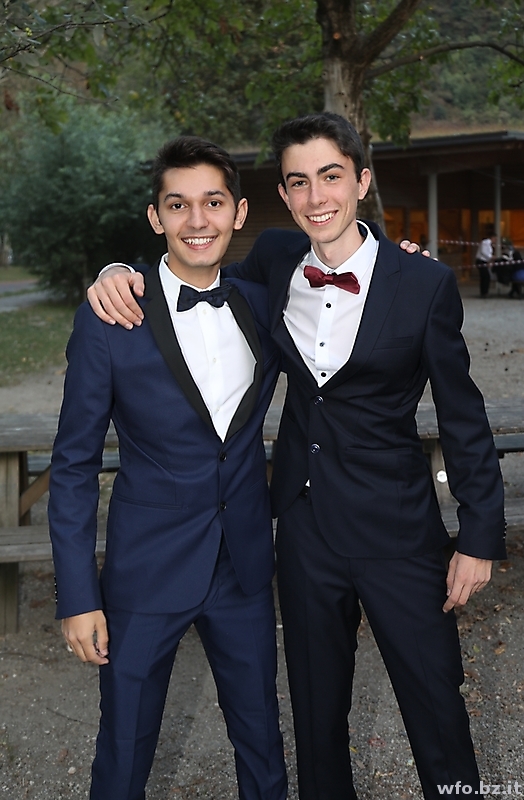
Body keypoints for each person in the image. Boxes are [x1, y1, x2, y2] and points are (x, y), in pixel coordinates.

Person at [87, 113, 506, 800]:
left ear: (362, 181)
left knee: (435, 701)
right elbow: (192, 268)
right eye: (299, 182)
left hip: (398, 531)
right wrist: (116, 271)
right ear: (282, 195)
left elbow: (463, 416)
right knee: (315, 716)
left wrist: (479, 535)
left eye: (330, 177)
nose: (317, 197)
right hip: (304, 532)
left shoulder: (423, 283)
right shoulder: (276, 261)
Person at [48, 136, 287, 800]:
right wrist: (78, 596)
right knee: (124, 752)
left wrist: (402, 254)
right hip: (145, 570)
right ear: (156, 218)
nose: (197, 220)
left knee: (263, 742)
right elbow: (73, 465)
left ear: (239, 212)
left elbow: (344, 252)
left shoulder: (263, 302)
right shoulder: (110, 315)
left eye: (213, 202)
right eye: (178, 205)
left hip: (242, 567)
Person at [475, 231, 496, 297]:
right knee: (486, 276)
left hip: (484, 261)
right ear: (492, 237)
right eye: (495, 239)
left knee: (485, 277)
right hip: (481, 261)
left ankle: (484, 292)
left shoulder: (489, 244)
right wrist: (491, 257)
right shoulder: (485, 243)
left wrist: (489, 260)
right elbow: (484, 252)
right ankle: (484, 292)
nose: (495, 240)